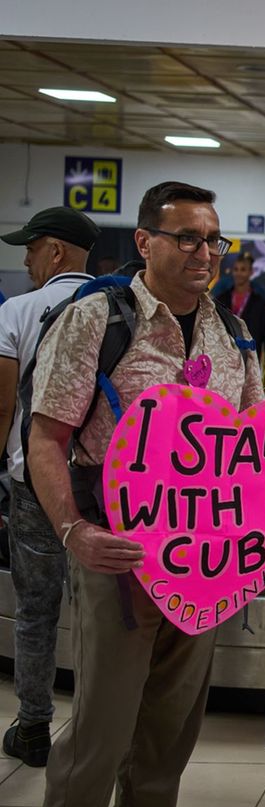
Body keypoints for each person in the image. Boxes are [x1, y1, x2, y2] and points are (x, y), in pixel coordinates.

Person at [27, 181, 265, 807]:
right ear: (144, 241)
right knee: (100, 733)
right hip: (119, 554)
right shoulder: (97, 319)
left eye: (214, 239)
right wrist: (74, 532)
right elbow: (47, 438)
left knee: (169, 734)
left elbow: (260, 450)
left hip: (205, 559)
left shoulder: (232, 332)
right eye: (187, 237)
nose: (205, 252)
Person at [0, 207, 99, 767]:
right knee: (100, 612)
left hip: (33, 480)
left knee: (37, 608)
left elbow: (1, 399)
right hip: (97, 485)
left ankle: (34, 726)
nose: (26, 257)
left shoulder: (18, 310)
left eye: (32, 247)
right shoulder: (117, 306)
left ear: (56, 252)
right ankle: (95, 726)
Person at [214, 251, 265, 361]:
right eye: (236, 269)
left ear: (251, 272)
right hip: (225, 359)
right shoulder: (221, 299)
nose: (238, 273)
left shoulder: (260, 303)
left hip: (250, 359)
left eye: (243, 269)